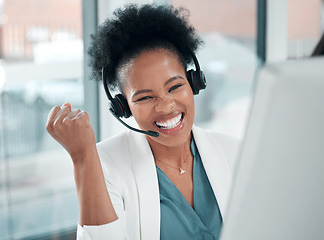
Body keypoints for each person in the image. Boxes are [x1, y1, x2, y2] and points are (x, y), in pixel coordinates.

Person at [46, 4, 240, 240]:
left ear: (194, 82)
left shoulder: (235, 152)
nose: (166, 106)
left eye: (175, 86)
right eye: (146, 97)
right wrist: (82, 157)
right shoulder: (104, 165)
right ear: (124, 107)